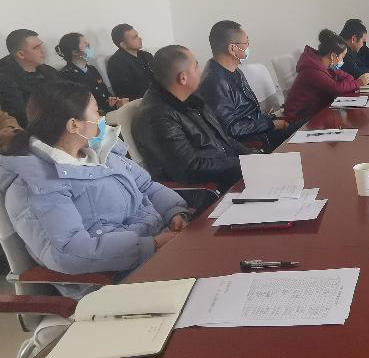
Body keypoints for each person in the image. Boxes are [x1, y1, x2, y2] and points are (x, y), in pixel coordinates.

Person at [0, 82, 190, 297]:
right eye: (96, 111)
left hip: (160, 247)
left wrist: (174, 212)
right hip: (114, 279)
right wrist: (151, 245)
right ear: (74, 125)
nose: (101, 118)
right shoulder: (36, 183)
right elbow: (70, 251)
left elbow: (146, 186)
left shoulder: (98, 151)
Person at [134, 45, 249, 192]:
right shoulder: (157, 116)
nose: (200, 73)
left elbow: (222, 138)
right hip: (211, 190)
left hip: (231, 171)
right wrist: (244, 164)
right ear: (183, 78)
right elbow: (191, 168)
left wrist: (252, 158)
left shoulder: (190, 98)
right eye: (196, 67)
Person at [198, 20, 297, 151]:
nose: (248, 47)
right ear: (232, 49)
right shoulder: (214, 82)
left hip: (261, 131)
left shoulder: (234, 70)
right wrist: (271, 124)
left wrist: (270, 121)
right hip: (253, 144)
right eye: (246, 43)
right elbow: (232, 128)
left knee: (306, 125)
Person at [284, 30, 369, 122]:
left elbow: (348, 77)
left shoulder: (326, 66)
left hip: (315, 112)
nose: (342, 61)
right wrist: (359, 82)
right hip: (298, 119)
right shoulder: (312, 70)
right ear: (333, 56)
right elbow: (336, 88)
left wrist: (345, 85)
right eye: (342, 57)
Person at [56, 33, 127, 114]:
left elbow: (104, 91)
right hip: (94, 117)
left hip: (108, 111)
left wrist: (113, 100)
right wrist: (110, 108)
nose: (91, 49)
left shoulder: (92, 69)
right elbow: (79, 107)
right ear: (75, 52)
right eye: (87, 46)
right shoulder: (66, 76)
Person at [0, 29, 59, 127]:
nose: (43, 51)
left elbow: (67, 95)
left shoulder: (49, 71)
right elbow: (21, 116)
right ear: (21, 54)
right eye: (36, 48)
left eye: (41, 45)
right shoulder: (5, 79)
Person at [106, 23, 155, 100]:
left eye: (137, 35)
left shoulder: (146, 55)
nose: (140, 39)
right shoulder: (116, 63)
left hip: (155, 96)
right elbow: (124, 93)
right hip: (139, 101)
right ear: (123, 44)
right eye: (135, 37)